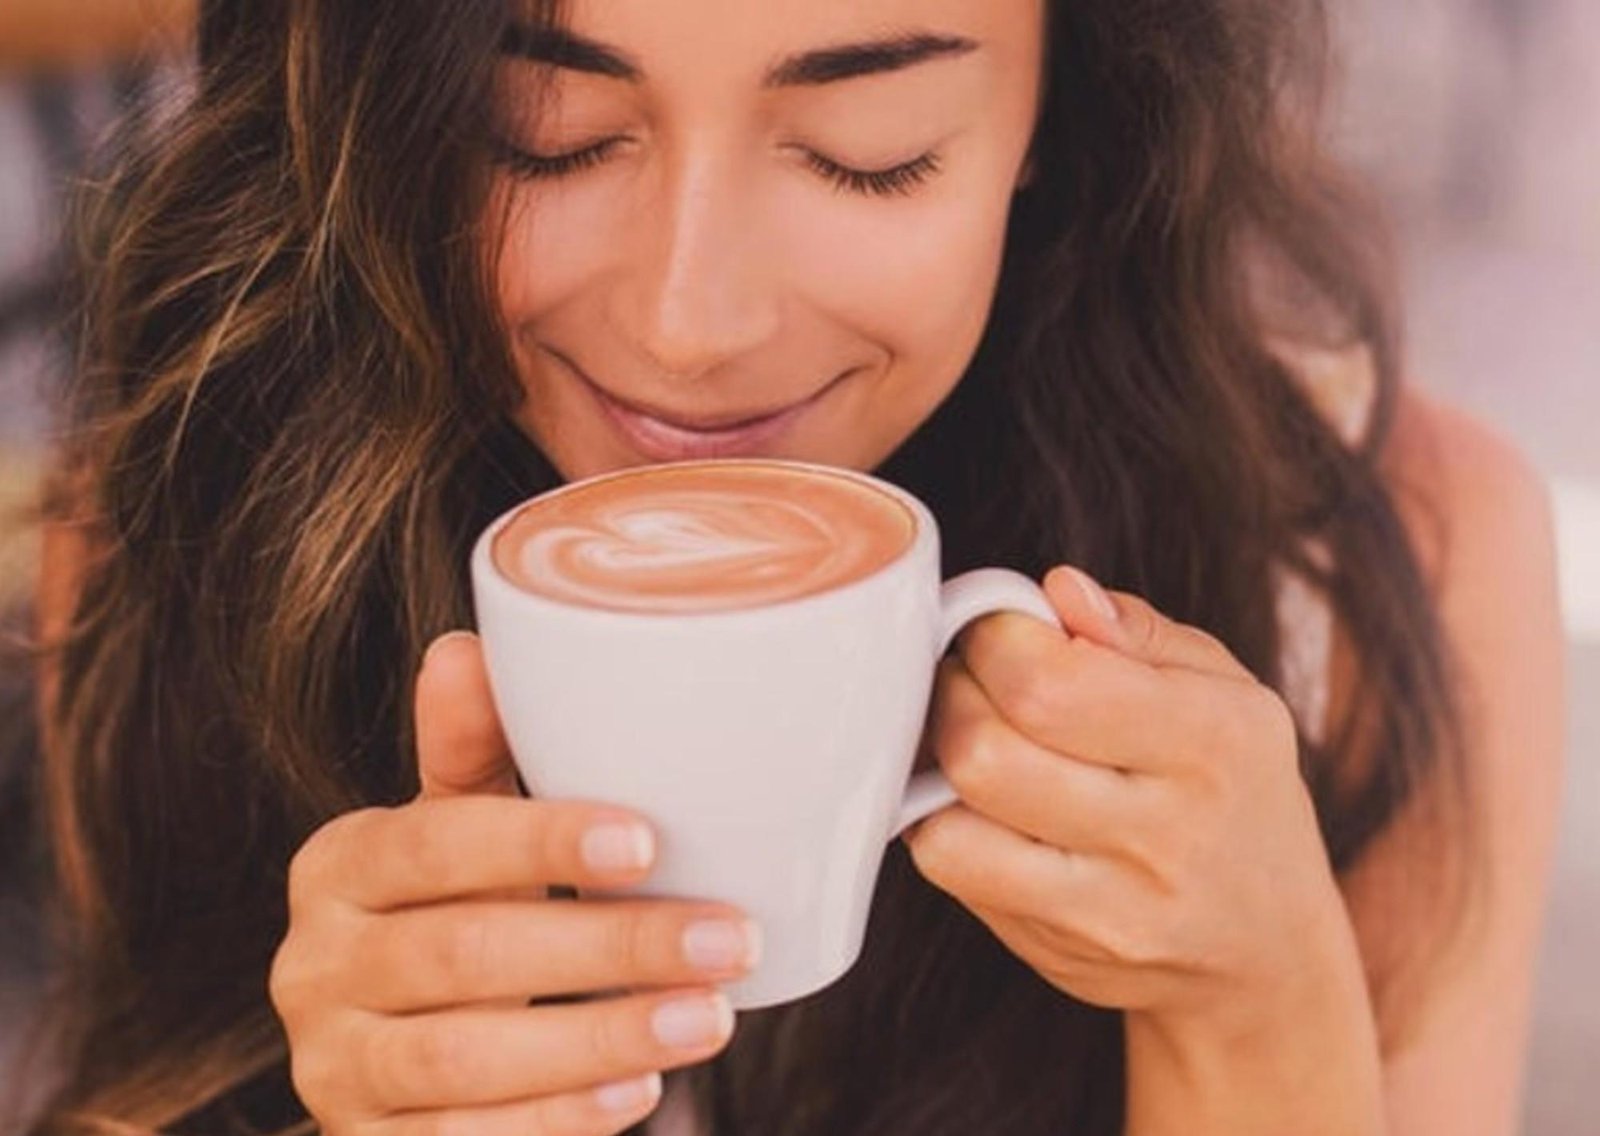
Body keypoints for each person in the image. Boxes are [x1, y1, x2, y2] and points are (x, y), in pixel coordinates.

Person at [9, 0, 1565, 1133]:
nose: (694, 323)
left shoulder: (1386, 580)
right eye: (542, 135)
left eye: (862, 153)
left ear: (1058, 116)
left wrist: (1257, 1019)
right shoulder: (181, 536)